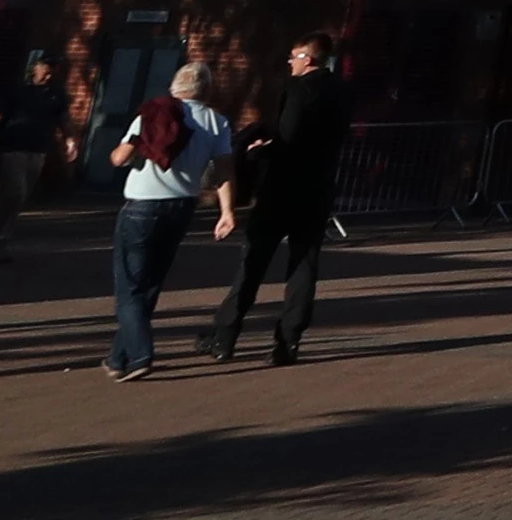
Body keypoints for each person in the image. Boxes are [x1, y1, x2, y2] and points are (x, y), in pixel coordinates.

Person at [208, 36, 352, 363]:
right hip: (318, 188)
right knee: (304, 263)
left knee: (254, 259)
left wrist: (259, 150)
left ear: (308, 58)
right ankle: (288, 340)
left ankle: (225, 335)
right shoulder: (343, 91)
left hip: (283, 187)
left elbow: (287, 138)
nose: (290, 62)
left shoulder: (299, 89)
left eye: (293, 56)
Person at [105, 60, 228, 379]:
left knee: (129, 285)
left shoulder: (153, 113)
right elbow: (224, 171)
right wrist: (226, 211)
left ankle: (141, 354)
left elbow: (118, 158)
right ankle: (118, 358)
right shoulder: (217, 122)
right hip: (182, 205)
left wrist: (129, 146)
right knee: (150, 282)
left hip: (142, 205)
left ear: (175, 85)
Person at [0, 53, 61, 263]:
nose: (48, 76)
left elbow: (61, 118)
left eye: (52, 72)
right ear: (34, 68)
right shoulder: (16, 90)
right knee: (14, 194)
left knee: (20, 198)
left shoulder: (55, 93)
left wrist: (69, 140)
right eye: (45, 71)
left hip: (37, 149)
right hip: (13, 148)